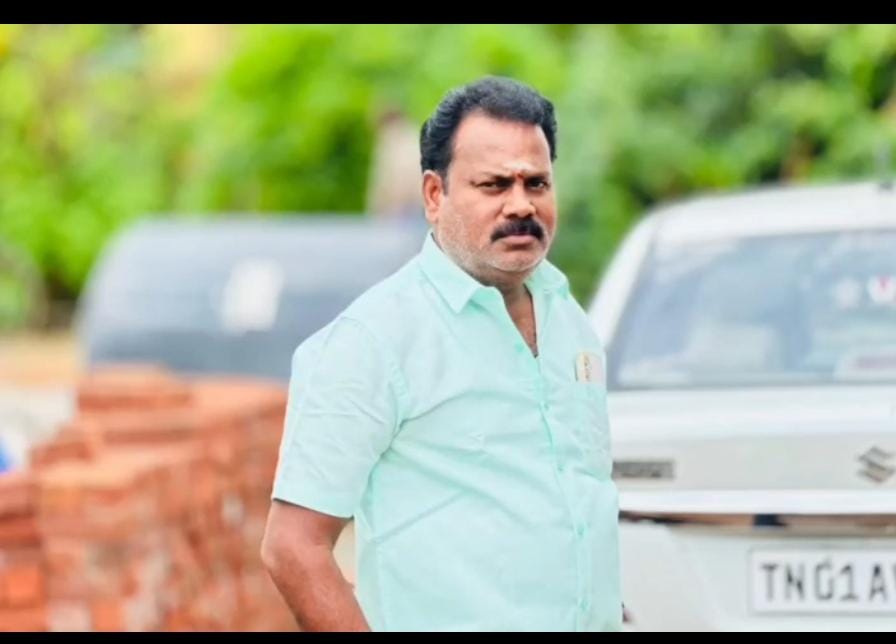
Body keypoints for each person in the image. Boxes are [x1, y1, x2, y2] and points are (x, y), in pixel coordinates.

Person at [261, 76, 621, 632]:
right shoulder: (372, 341)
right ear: (434, 195)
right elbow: (293, 547)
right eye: (494, 185)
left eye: (536, 182)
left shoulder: (569, 319)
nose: (520, 204)